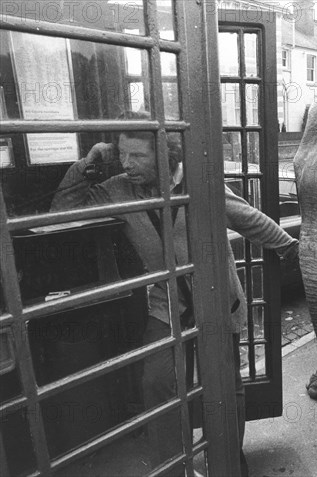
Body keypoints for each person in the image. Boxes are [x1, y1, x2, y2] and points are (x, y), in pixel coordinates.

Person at [51, 111, 298, 476]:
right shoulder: (117, 189)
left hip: (216, 301)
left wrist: (289, 245)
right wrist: (88, 163)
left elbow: (248, 218)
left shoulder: (201, 184)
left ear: (165, 156)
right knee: (157, 384)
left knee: (225, 390)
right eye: (122, 154)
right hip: (165, 306)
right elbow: (62, 212)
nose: (126, 163)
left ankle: (228, 461)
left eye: (138, 155)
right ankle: (172, 466)